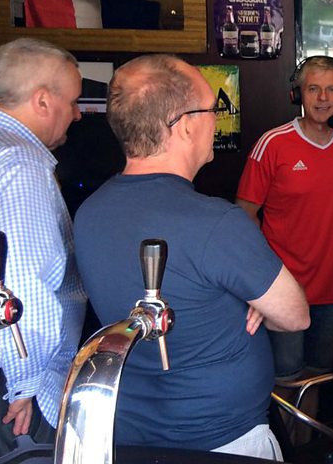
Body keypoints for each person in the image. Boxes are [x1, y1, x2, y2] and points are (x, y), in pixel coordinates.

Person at [74, 54, 309, 459]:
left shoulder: (88, 213)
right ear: (184, 125)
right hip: (222, 442)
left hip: (126, 438)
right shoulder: (216, 222)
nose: (216, 121)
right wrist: (251, 301)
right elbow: (294, 315)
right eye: (212, 109)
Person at [237, 56, 333, 385]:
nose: (323, 98)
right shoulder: (273, 143)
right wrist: (262, 279)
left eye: (332, 90)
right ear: (297, 94)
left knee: (319, 376)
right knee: (287, 379)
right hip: (282, 288)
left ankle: (310, 424)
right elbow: (244, 215)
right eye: (313, 89)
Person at [0, 38, 87, 454]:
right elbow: (20, 281)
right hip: (16, 389)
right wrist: (25, 380)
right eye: (73, 101)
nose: (78, 113)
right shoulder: (22, 164)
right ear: (42, 101)